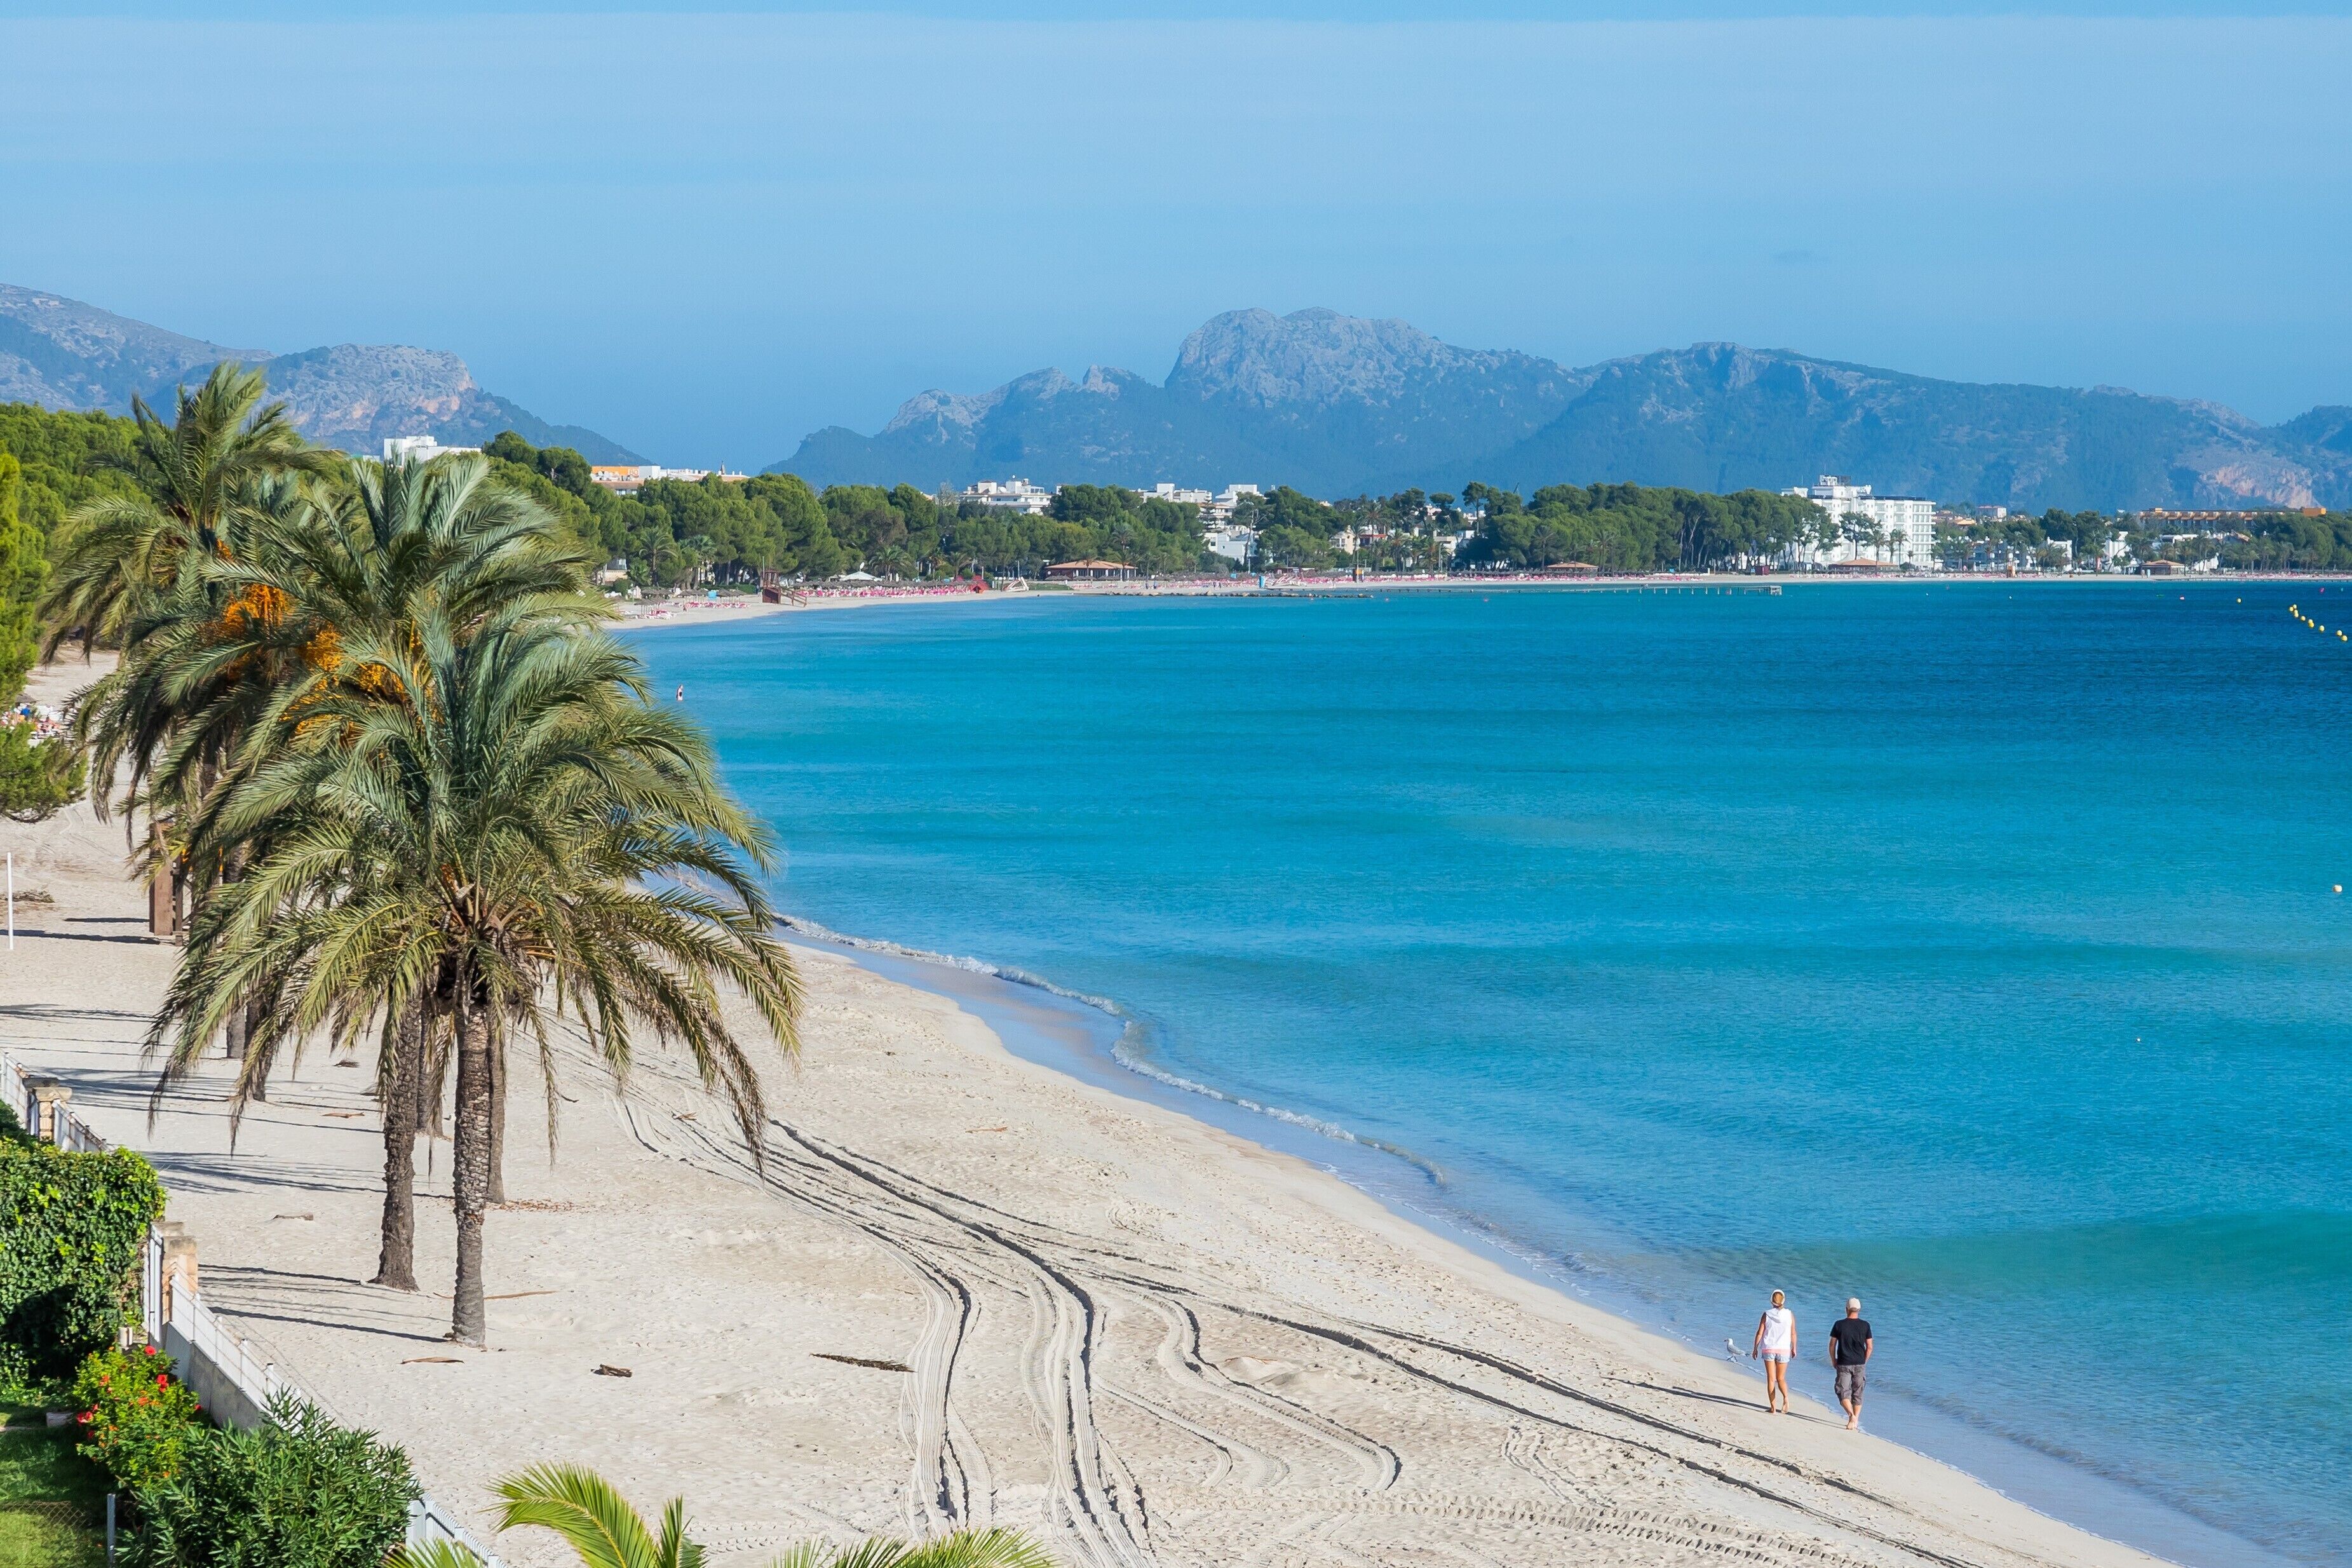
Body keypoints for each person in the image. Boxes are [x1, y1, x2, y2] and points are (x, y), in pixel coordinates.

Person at [1828, 1297, 1872, 1431]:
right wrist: (1864, 1360)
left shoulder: (1839, 1325)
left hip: (1844, 1362)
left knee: (1843, 1392)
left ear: (1846, 1309)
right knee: (1858, 1393)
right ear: (1859, 1310)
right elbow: (1870, 1347)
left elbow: (1832, 1345)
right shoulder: (1865, 1325)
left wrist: (1833, 1359)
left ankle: (1851, 1415)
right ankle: (1855, 1419)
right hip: (1859, 1363)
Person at [1751, 1290, 1795, 1414]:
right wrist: (1794, 1347)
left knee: (1771, 1379)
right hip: (1784, 1349)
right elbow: (1793, 1333)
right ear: (1783, 1301)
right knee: (1781, 1378)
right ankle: (1786, 1398)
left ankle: (1773, 1408)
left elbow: (1760, 1333)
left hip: (1769, 1348)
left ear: (1772, 1301)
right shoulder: (1789, 1314)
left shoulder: (1767, 1314)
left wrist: (1755, 1348)